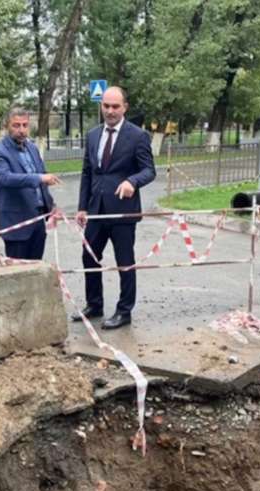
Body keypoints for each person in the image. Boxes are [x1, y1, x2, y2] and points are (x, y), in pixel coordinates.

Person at [74, 86, 156, 329]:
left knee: (124, 262)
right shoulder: (92, 135)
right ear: (101, 106)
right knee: (89, 256)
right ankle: (94, 304)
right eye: (106, 106)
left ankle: (124, 311)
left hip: (123, 212)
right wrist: (82, 207)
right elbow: (87, 172)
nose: (110, 111)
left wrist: (132, 181)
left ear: (125, 108)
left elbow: (149, 170)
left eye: (115, 106)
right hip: (96, 211)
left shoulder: (138, 136)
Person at [0, 108, 61, 260]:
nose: (21, 130)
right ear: (6, 126)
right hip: (17, 226)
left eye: (25, 125)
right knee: (19, 272)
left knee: (36, 268)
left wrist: (51, 206)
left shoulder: (32, 148)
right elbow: (4, 178)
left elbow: (42, 179)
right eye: (16, 125)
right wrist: (39, 178)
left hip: (38, 222)